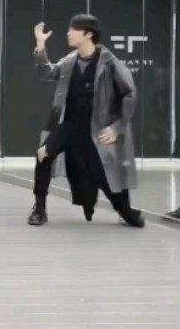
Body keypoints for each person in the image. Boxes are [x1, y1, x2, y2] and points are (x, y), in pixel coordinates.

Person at [29, 15, 144, 228]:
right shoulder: (70, 60)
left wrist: (116, 127)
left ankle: (125, 211)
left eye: (74, 29)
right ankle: (39, 208)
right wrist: (40, 45)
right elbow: (46, 74)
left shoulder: (109, 63)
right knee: (43, 154)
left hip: (97, 128)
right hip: (70, 125)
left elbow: (129, 94)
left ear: (88, 34)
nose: (69, 33)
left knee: (106, 176)